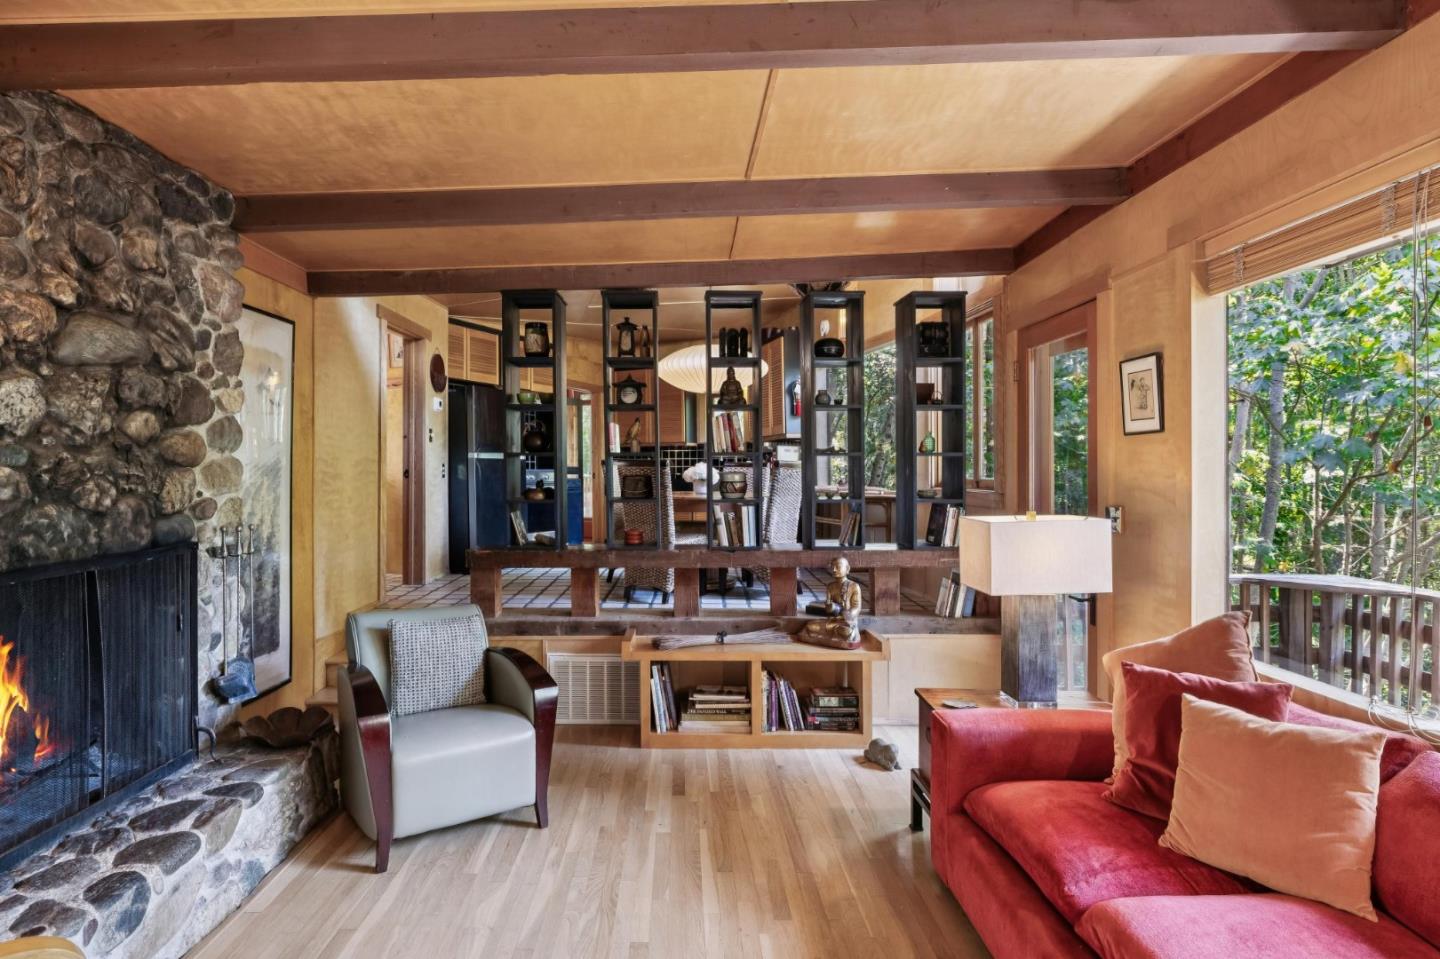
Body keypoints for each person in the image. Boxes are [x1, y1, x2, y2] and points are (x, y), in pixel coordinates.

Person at [800, 556, 862, 649]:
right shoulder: (830, 587)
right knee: (810, 626)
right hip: (833, 622)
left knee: (846, 631)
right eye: (832, 567)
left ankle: (844, 635)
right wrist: (830, 608)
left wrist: (848, 614)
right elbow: (829, 611)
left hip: (847, 622)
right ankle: (835, 635)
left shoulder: (854, 586)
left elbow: (857, 607)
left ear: (847, 569)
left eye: (838, 567)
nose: (834, 569)